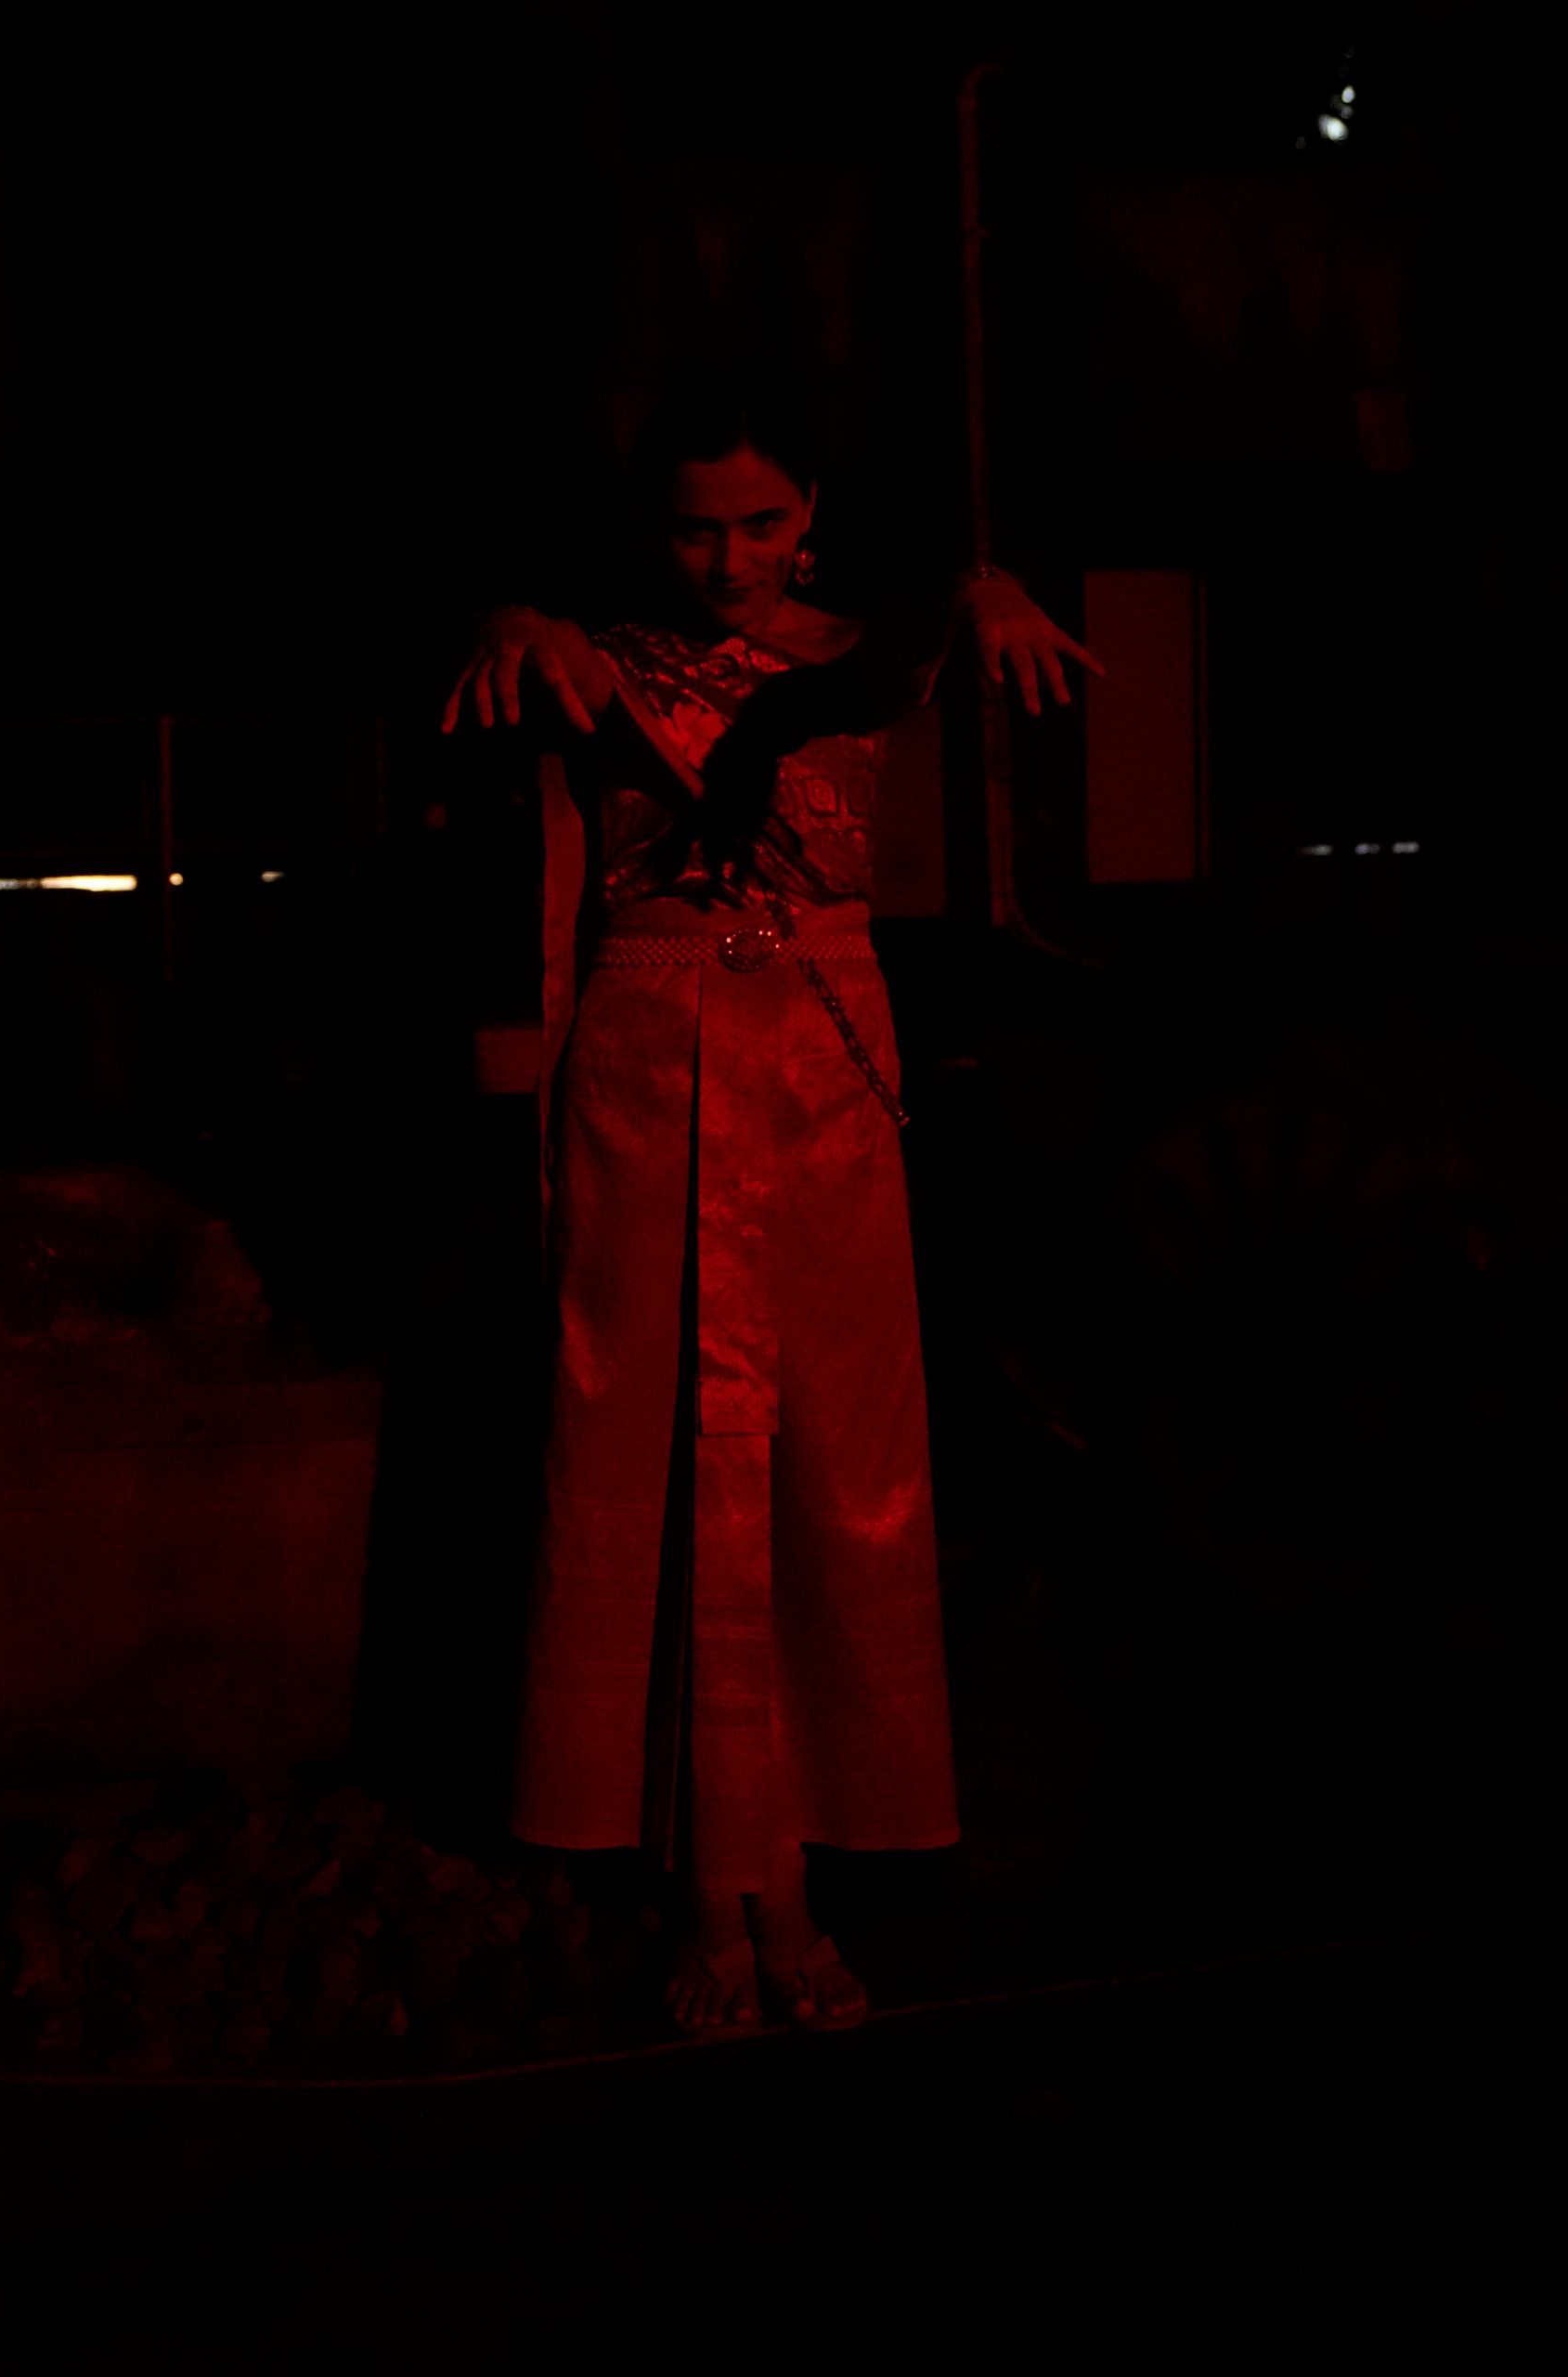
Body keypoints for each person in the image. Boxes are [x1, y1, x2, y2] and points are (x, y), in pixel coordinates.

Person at [441, 378, 1096, 2033]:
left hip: (816, 1062)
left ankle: (787, 1860)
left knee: (826, 1455)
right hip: (650, 1056)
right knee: (650, 1446)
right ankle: (709, 1878)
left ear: (812, 512)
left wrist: (976, 587)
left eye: (761, 522)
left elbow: (885, 674)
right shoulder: (587, 658)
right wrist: (523, 619)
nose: (728, 558)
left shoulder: (851, 651)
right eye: (692, 525)